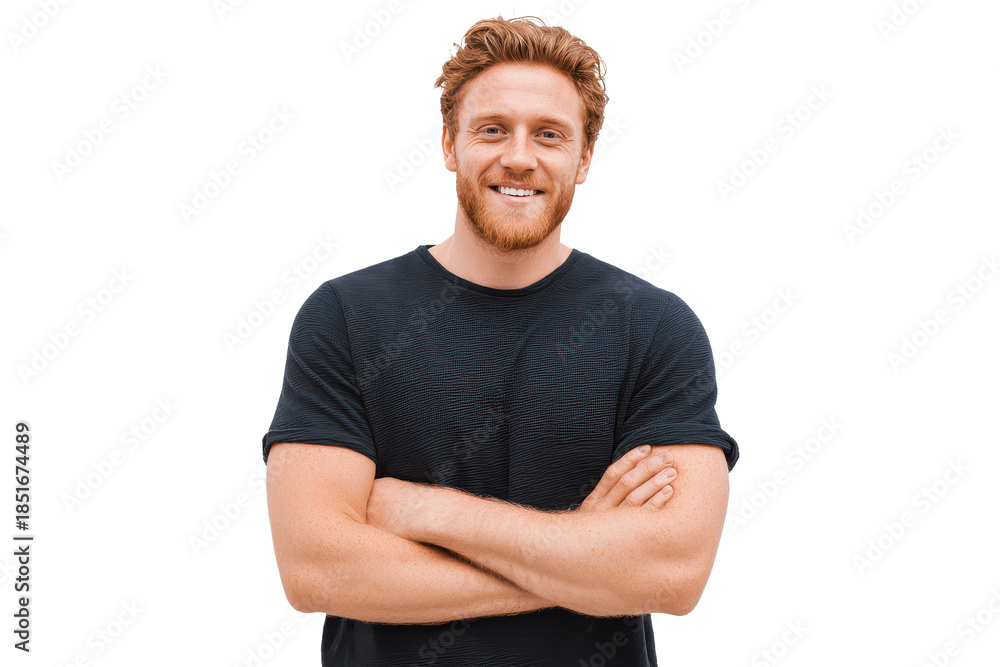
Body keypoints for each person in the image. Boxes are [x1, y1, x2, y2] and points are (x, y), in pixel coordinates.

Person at [262, 15, 739, 666]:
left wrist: (425, 511)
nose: (519, 156)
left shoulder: (653, 327)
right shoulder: (346, 316)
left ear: (584, 158)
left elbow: (674, 572)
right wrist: (586, 557)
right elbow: (318, 568)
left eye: (549, 134)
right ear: (450, 145)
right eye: (492, 130)